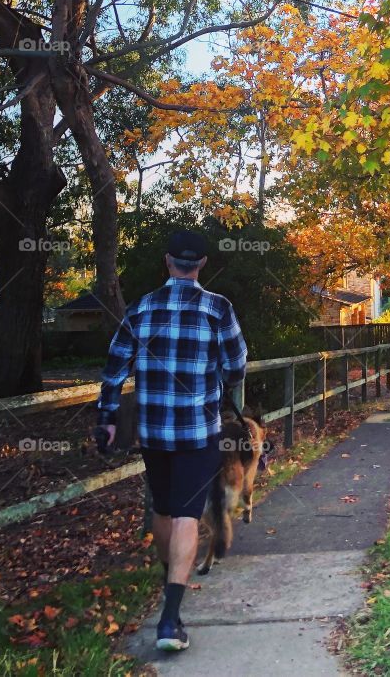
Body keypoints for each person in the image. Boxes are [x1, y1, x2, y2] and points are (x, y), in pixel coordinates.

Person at [97, 230, 247, 653]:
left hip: (154, 431)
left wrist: (107, 419)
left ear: (168, 262)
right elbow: (236, 366)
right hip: (199, 431)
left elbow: (113, 369)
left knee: (164, 509)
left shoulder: (142, 308)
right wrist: (217, 376)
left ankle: (171, 583)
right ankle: (170, 618)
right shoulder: (218, 308)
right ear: (201, 265)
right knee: (185, 514)